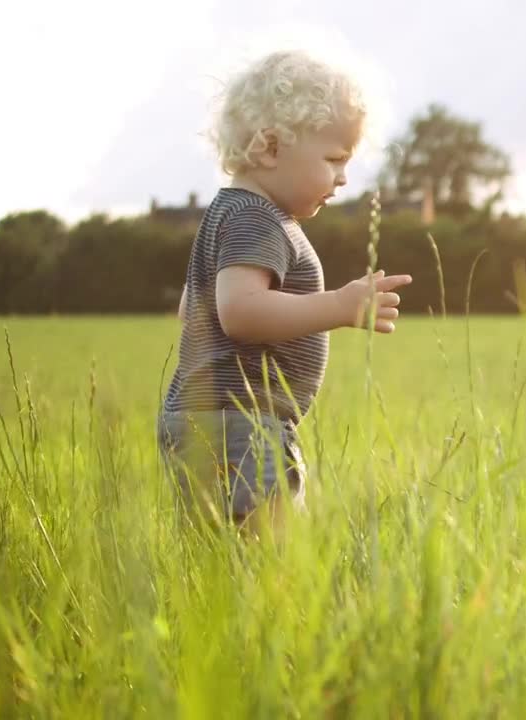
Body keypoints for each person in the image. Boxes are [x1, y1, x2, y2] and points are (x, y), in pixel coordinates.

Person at [157, 49, 411, 533]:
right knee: (271, 561)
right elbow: (239, 313)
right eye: (334, 159)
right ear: (271, 149)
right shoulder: (258, 219)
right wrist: (338, 305)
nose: (342, 178)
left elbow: (193, 308)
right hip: (241, 422)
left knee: (221, 559)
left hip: (205, 419)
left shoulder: (226, 214)